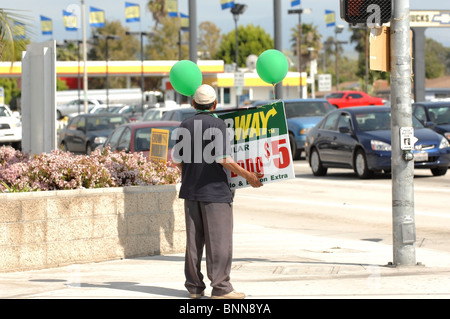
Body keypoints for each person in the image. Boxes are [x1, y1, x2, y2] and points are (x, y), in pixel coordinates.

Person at [173, 84, 263, 299]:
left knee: (193, 244)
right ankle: (221, 289)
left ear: (194, 104)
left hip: (191, 192)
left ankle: (194, 289)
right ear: (215, 104)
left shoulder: (184, 125)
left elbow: (177, 161)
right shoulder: (218, 125)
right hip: (214, 192)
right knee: (219, 242)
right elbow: (222, 158)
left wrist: (192, 173)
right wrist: (248, 175)